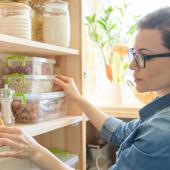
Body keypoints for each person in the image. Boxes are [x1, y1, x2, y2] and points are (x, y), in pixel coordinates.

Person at [1, 6, 170, 170]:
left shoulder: (161, 131)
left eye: (143, 56)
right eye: (134, 54)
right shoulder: (159, 113)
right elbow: (121, 132)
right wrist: (77, 99)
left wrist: (36, 152)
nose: (132, 65)